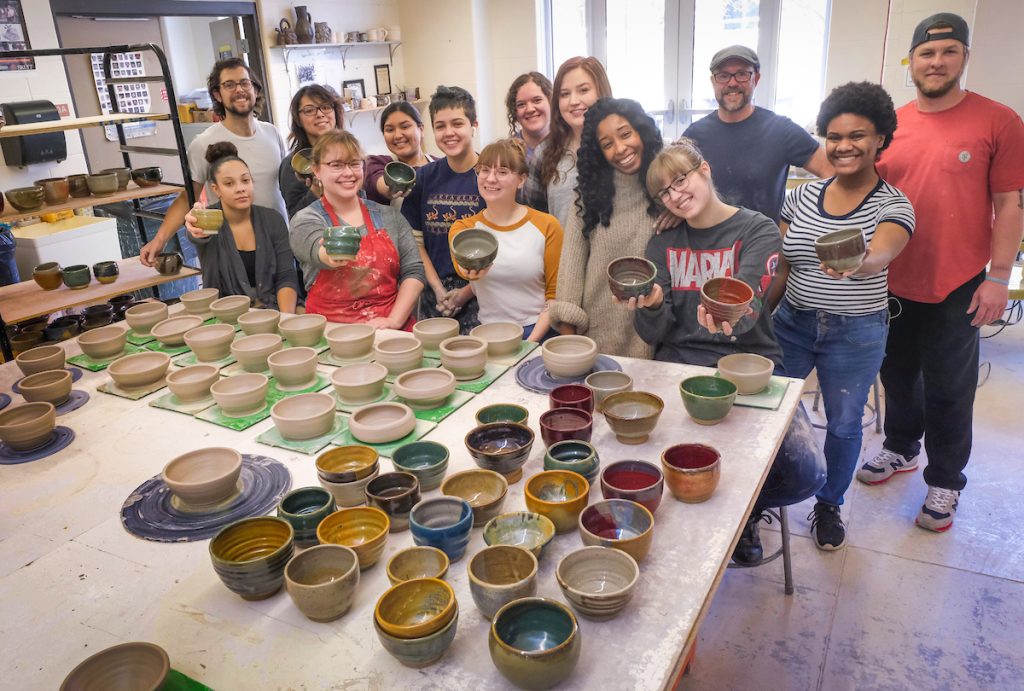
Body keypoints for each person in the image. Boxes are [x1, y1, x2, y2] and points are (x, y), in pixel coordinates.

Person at [857, 13, 1024, 532]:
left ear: (964, 57)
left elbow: (1010, 203)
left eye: (948, 51)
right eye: (926, 54)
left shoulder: (999, 121)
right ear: (913, 61)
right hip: (892, 282)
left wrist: (998, 276)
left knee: (952, 387)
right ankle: (901, 447)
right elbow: (868, 201)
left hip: (959, 283)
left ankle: (946, 480)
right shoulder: (894, 126)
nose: (936, 62)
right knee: (897, 375)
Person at [632, 139, 825, 564]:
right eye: (664, 192)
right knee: (641, 446)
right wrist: (649, 304)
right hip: (679, 366)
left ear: (705, 169)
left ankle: (747, 513)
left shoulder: (757, 229)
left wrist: (729, 316)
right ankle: (688, 515)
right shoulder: (662, 242)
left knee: (802, 470)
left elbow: (750, 305)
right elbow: (657, 331)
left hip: (748, 365)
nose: (676, 195)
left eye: (681, 179)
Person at [763, 82, 914, 550]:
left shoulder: (894, 204)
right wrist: (757, 318)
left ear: (881, 139)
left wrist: (859, 262)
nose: (844, 145)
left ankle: (829, 503)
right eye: (834, 135)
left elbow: (882, 252)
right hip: (792, 321)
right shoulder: (803, 197)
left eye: (858, 135)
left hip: (856, 333)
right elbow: (783, 265)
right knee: (770, 412)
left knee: (846, 423)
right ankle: (761, 496)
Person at [140, 58, 286, 266]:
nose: (239, 90)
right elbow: (186, 198)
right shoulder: (204, 143)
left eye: (245, 83)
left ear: (254, 89)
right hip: (234, 251)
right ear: (217, 94)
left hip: (278, 244)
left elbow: (284, 188)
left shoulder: (272, 133)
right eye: (229, 85)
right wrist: (160, 239)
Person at [547, 97, 662, 358]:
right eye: (607, 144)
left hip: (657, 341)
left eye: (625, 134)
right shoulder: (588, 196)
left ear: (641, 131)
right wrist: (571, 346)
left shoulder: (667, 188)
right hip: (596, 339)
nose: (620, 148)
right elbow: (571, 271)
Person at [289, 130, 424, 328]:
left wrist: (393, 321)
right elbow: (318, 252)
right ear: (317, 170)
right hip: (331, 331)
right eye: (336, 165)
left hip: (389, 328)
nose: (348, 173)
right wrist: (331, 255)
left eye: (354, 164)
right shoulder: (306, 220)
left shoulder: (390, 216)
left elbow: (414, 271)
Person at [683, 45, 832, 223]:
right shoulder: (694, 135)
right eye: (723, 75)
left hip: (764, 245)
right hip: (710, 246)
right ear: (713, 81)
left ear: (756, 79)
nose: (732, 83)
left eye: (742, 74)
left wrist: (808, 222)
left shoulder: (780, 130)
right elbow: (671, 184)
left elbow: (831, 171)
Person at [449, 138, 563, 342]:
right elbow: (462, 268)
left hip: (537, 332)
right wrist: (470, 271)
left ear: (521, 179)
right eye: (484, 170)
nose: (490, 179)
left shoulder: (547, 226)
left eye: (502, 172)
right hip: (487, 335)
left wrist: (528, 345)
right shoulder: (464, 229)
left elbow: (554, 296)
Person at [400, 86, 484, 331]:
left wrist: (466, 292)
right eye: (440, 126)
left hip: (482, 292)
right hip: (433, 292)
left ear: (473, 125)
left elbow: (506, 244)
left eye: (457, 124)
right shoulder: (424, 178)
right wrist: (437, 289)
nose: (449, 133)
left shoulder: (491, 177)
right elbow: (415, 243)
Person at [185, 143, 299, 313]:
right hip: (226, 315)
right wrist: (195, 224)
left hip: (274, 308)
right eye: (229, 184)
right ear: (216, 189)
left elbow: (286, 276)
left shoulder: (272, 219)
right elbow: (196, 234)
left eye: (245, 180)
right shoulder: (209, 219)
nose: (240, 189)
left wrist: (285, 318)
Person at [524, 57, 613, 231]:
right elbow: (534, 218)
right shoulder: (545, 152)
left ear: (601, 91)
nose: (573, 101)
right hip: (563, 255)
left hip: (616, 256)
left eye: (583, 90)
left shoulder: (624, 144)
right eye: (565, 94)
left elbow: (674, 160)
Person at [278, 84, 345, 220]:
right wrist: (315, 191)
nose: (320, 114)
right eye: (309, 110)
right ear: (298, 120)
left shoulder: (349, 154)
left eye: (326, 107)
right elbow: (296, 216)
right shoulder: (293, 164)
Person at [363, 101, 435, 206]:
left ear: (421, 129)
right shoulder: (377, 163)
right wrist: (391, 189)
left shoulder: (440, 165)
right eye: (390, 130)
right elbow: (381, 183)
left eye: (405, 127)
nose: (397, 135)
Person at [505, 72, 553, 162]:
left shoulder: (569, 145)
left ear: (550, 101)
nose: (530, 109)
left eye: (537, 100)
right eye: (521, 104)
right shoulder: (505, 153)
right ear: (514, 111)